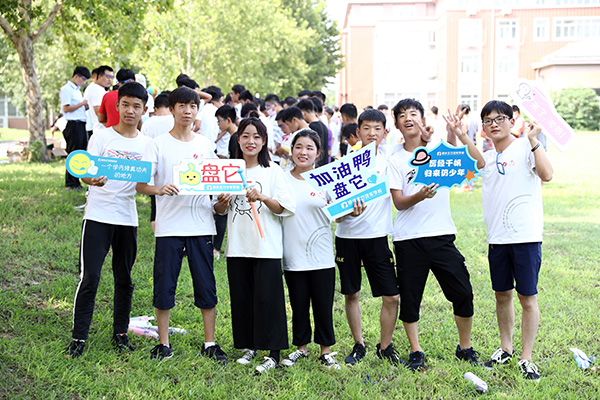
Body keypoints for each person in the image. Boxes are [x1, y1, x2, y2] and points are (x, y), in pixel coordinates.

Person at [388, 99, 485, 371]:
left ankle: (464, 348)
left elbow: (477, 164)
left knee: (463, 292)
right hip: (408, 239)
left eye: (414, 114)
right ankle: (415, 351)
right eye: (402, 115)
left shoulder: (437, 147)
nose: (408, 118)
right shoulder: (395, 158)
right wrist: (418, 196)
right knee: (410, 298)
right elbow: (399, 202)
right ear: (396, 123)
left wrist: (454, 133)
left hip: (442, 235)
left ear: (423, 119)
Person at [136, 87, 228, 363]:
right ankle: (163, 344)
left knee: (206, 286)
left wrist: (222, 202)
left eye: (192, 106)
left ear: (197, 111)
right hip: (169, 228)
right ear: (173, 109)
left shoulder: (204, 145)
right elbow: (141, 185)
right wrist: (160, 189)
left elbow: (217, 192)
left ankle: (209, 343)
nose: (188, 111)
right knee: (164, 286)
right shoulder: (157, 143)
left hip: (201, 226)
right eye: (182, 106)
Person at [66, 82, 151, 358]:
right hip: (98, 215)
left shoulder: (146, 144)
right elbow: (84, 173)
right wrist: (93, 180)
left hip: (127, 218)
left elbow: (145, 183)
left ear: (144, 111)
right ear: (116, 106)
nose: (130, 110)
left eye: (136, 106)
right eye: (125, 104)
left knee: (124, 278)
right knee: (90, 276)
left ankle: (120, 334)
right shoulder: (101, 137)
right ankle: (79, 338)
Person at [214, 117, 295, 374]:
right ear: (238, 139)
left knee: (269, 300)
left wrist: (261, 196)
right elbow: (217, 209)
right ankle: (249, 346)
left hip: (266, 246)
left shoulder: (273, 171)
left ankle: (273, 352)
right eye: (246, 136)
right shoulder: (228, 170)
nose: (251, 141)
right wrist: (223, 203)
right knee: (242, 298)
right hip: (238, 246)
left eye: (257, 137)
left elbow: (284, 207)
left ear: (264, 141)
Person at [479, 100, 553, 382]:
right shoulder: (485, 157)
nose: (494, 124)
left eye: (499, 118)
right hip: (497, 238)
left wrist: (534, 141)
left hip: (526, 237)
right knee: (502, 295)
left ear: (512, 121)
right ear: (483, 127)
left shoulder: (526, 146)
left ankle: (527, 357)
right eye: (488, 120)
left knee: (527, 297)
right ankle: (505, 348)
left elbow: (547, 175)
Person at [335, 109, 403, 367]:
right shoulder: (344, 164)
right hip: (348, 237)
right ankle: (358, 343)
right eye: (366, 128)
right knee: (351, 293)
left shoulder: (389, 156)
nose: (372, 133)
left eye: (377, 128)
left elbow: (415, 144)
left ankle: (385, 346)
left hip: (377, 237)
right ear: (358, 132)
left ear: (385, 132)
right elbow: (336, 216)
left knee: (392, 296)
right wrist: (347, 211)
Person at [279, 129, 340, 370]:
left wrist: (352, 210)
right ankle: (300, 348)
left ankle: (326, 351)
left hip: (321, 254)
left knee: (323, 305)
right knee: (298, 304)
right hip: (292, 254)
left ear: (318, 153)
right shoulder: (281, 179)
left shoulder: (327, 179)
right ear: (291, 150)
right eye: (298, 147)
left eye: (309, 148)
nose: (303, 152)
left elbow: (339, 214)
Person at [60, 66, 91, 191]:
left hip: (82, 123)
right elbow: (66, 108)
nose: (83, 83)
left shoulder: (77, 90)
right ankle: (70, 183)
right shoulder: (67, 89)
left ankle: (77, 181)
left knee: (81, 154)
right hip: (73, 125)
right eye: (83, 79)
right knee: (73, 154)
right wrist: (81, 104)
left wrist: (85, 106)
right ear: (76, 76)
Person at [297, 99, 329, 167]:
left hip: (316, 166)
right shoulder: (323, 125)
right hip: (324, 164)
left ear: (303, 113)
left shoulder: (312, 127)